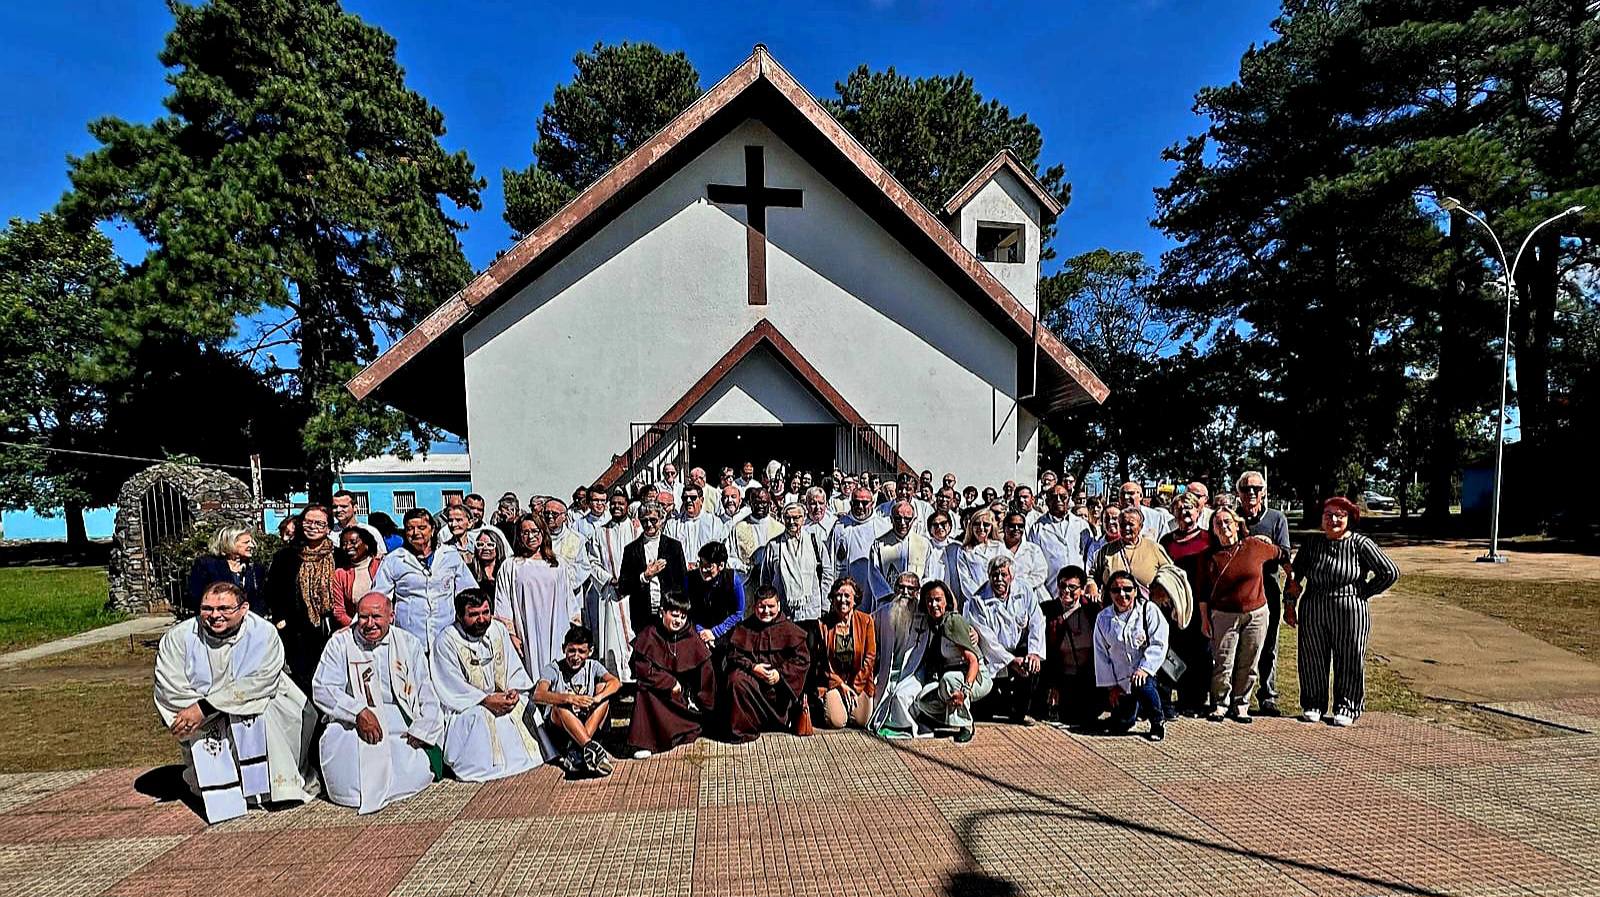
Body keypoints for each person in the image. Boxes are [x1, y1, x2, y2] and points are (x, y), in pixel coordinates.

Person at [154, 582, 318, 823]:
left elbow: (262, 681)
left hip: (260, 702)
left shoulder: (262, 632)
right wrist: (201, 711)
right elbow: (169, 685)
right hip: (202, 714)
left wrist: (207, 707)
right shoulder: (179, 638)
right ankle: (224, 788)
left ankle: (274, 788)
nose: (215, 615)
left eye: (224, 608)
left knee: (264, 712)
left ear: (244, 609)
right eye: (207, 608)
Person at [313, 592, 444, 814]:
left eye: (377, 617)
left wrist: (424, 727)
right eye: (363, 617)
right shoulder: (341, 643)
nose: (369, 624)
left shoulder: (408, 642)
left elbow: (425, 690)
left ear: (391, 616)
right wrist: (358, 712)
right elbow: (323, 688)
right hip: (352, 719)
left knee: (406, 760)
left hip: (399, 715)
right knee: (343, 745)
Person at [1287, 496, 1401, 727]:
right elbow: (1294, 577)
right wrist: (1289, 604)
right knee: (1312, 657)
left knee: (1349, 658)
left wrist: (1363, 592)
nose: (1334, 519)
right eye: (1328, 515)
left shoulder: (1361, 544)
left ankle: (1347, 706)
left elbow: (1390, 572)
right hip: (1314, 608)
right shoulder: (1311, 545)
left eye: (1340, 515)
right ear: (1321, 519)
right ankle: (1313, 704)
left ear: (1350, 518)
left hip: (1350, 611)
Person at [431, 588, 544, 782]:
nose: (482, 619)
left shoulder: (498, 630)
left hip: (501, 696)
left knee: (523, 705)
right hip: (466, 705)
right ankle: (486, 766)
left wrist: (513, 692)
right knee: (480, 717)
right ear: (459, 615)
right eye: (474, 614)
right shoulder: (446, 640)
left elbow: (513, 668)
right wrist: (485, 700)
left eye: (485, 612)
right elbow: (449, 684)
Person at [1197, 507, 1281, 723]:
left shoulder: (1254, 546)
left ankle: (1241, 703)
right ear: (1213, 530)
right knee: (1223, 661)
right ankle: (1220, 704)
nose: (1223, 527)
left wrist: (1290, 578)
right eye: (1218, 524)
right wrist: (1205, 619)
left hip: (1256, 613)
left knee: (1249, 661)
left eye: (1227, 522)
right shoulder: (1210, 556)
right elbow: (1203, 591)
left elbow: (1280, 553)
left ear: (1237, 524)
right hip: (1223, 614)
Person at [371, 508, 478, 655]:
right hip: (410, 638)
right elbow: (378, 598)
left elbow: (469, 593)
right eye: (410, 529)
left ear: (433, 529)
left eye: (422, 527)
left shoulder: (449, 555)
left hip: (447, 635)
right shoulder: (394, 560)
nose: (416, 533)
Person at [628, 593, 717, 759]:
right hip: (659, 692)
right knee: (643, 691)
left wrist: (701, 700)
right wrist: (670, 682)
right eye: (674, 615)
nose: (679, 621)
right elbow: (642, 669)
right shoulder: (649, 634)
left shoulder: (690, 634)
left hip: (683, 698)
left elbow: (705, 670)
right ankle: (645, 742)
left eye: (683, 617)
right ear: (662, 612)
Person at [266, 505, 343, 693]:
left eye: (319, 523)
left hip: (333, 626)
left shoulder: (339, 556)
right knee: (304, 681)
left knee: (334, 677)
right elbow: (273, 589)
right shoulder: (286, 556)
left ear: (328, 528)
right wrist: (280, 619)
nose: (313, 527)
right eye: (308, 522)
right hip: (297, 628)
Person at [1237, 471, 1294, 717]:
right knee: (1236, 647)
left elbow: (1284, 554)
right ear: (1238, 492)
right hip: (1237, 592)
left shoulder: (1276, 518)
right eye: (1247, 489)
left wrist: (1264, 547)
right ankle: (1235, 696)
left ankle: (1267, 696)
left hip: (1267, 590)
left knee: (1269, 646)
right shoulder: (1231, 517)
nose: (1252, 493)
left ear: (1264, 492)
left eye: (1257, 489)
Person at [496, 514, 578, 682]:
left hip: (557, 628)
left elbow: (568, 599)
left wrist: (576, 630)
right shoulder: (511, 566)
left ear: (543, 532)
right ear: (519, 536)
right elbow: (503, 602)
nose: (531, 536)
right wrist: (511, 634)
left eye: (535, 531)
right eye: (525, 532)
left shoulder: (557, 564)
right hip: (526, 630)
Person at [724, 586, 812, 742]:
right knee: (736, 679)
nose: (766, 611)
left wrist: (780, 674)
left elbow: (802, 660)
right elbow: (734, 655)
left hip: (779, 692)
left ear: (778, 605)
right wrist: (753, 668)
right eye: (761, 606)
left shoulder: (791, 630)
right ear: (754, 606)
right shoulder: (745, 628)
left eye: (770, 606)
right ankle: (744, 729)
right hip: (753, 688)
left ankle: (780, 721)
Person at [965, 557, 1045, 725]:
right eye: (995, 575)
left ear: (1011, 577)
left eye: (1003, 574)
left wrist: (1034, 653)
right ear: (989, 576)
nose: (999, 579)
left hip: (1019, 648)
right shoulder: (978, 600)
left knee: (1032, 666)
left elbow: (1037, 621)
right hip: (993, 656)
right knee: (984, 713)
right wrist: (1010, 661)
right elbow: (987, 640)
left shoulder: (1025, 590)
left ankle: (1021, 712)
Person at [910, 579, 991, 743]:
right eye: (929, 600)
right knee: (923, 699)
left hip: (974, 677)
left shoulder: (953, 621)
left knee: (949, 681)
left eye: (938, 599)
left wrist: (965, 690)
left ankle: (966, 725)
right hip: (952, 675)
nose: (933, 604)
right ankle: (942, 719)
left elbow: (973, 661)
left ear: (946, 600)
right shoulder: (933, 625)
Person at [533, 625, 620, 776]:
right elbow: (538, 695)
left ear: (590, 652)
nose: (576, 656)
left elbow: (615, 682)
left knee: (603, 692)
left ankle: (578, 750)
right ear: (563, 649)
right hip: (561, 726)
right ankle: (588, 746)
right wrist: (570, 698)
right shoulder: (553, 668)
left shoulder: (593, 666)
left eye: (581, 651)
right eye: (571, 650)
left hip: (586, 722)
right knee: (561, 706)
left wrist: (597, 698)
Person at [1093, 570, 1168, 741]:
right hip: (1120, 680)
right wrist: (1111, 686)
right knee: (1121, 725)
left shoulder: (1148, 610)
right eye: (1116, 590)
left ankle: (1157, 721)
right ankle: (1130, 714)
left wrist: (1144, 668)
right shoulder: (1103, 619)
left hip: (1147, 674)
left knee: (1143, 686)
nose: (1122, 594)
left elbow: (1159, 642)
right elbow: (1101, 655)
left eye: (1127, 589)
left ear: (1135, 590)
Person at [585, 487, 640, 680]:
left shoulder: (637, 528)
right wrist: (609, 578)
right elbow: (592, 562)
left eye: (621, 504)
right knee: (612, 640)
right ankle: (616, 680)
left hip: (633, 594)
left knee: (633, 635)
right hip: (610, 593)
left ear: (627, 506)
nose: (617, 507)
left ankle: (633, 677)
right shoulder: (600, 533)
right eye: (614, 504)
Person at [809, 577, 877, 730]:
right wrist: (841, 685)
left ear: (855, 599)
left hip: (858, 680)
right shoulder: (823, 625)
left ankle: (848, 704)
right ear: (832, 599)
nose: (842, 600)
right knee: (836, 722)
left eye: (847, 596)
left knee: (861, 721)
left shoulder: (866, 621)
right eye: (838, 595)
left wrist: (855, 686)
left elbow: (870, 657)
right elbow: (822, 663)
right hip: (834, 681)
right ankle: (828, 702)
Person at [1040, 566, 1102, 726]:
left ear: (1082, 589)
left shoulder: (1093, 611)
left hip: (1089, 676)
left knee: (1088, 716)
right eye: (1062, 586)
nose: (1066, 591)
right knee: (1065, 714)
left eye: (1072, 587)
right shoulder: (1048, 611)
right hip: (1062, 675)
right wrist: (1053, 685)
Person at [619, 500, 688, 641]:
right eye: (644, 521)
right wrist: (645, 576)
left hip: (669, 611)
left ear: (661, 520)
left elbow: (682, 582)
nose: (649, 524)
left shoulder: (673, 546)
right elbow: (623, 586)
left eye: (653, 520)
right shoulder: (631, 549)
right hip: (642, 614)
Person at [756, 502, 827, 623]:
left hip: (811, 611)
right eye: (788, 518)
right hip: (784, 612)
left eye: (796, 518)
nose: (792, 521)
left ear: (804, 518)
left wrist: (824, 604)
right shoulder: (774, 545)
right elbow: (766, 579)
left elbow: (827, 574)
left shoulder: (814, 542)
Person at [1087, 506, 1173, 595]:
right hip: (1113, 605)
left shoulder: (1154, 548)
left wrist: (1160, 588)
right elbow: (1092, 575)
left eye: (1131, 524)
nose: (1126, 528)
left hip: (1146, 605)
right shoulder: (1106, 550)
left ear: (1140, 526)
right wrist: (1091, 586)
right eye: (1123, 525)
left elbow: (1170, 573)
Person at [1147, 565, 1197, 721]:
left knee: (1170, 671)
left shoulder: (1172, 608)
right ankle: (1162, 705)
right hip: (1155, 642)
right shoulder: (1151, 606)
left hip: (1173, 642)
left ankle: (1174, 704)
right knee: (1160, 673)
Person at [186, 525, 267, 617]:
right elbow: (196, 596)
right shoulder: (207, 565)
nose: (252, 545)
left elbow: (260, 598)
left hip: (248, 622)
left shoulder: (255, 568)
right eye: (246, 542)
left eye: (251, 542)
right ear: (230, 543)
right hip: (216, 620)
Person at [869, 500, 930, 610]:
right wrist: (891, 596)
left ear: (914, 520)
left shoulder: (924, 544)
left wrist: (917, 594)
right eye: (898, 518)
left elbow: (928, 575)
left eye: (907, 519)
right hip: (889, 605)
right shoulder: (879, 544)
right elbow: (874, 574)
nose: (902, 523)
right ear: (891, 519)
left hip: (916, 604)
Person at [687, 541, 745, 651]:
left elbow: (738, 612)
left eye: (708, 566)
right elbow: (689, 609)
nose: (703, 570)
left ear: (721, 566)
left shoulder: (732, 579)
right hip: (699, 629)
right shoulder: (691, 579)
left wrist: (715, 632)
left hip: (726, 629)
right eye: (701, 565)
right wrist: (702, 632)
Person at [1028, 484, 1089, 589]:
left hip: (1078, 590)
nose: (1058, 500)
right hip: (1050, 590)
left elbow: (1089, 557)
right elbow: (1033, 564)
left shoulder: (1081, 525)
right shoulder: (1037, 528)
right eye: (1053, 497)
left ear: (1069, 500)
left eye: (1063, 497)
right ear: (1047, 501)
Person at [828, 488, 889, 592]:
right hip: (848, 587)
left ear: (872, 503)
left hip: (875, 587)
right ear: (851, 503)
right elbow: (832, 559)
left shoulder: (883, 527)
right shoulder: (840, 526)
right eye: (856, 502)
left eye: (864, 503)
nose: (860, 506)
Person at [955, 508, 1010, 608]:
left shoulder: (999, 547)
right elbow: (965, 581)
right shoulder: (964, 551)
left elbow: (1009, 573)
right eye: (976, 524)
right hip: (976, 602)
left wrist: (999, 595)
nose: (981, 528)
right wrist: (982, 598)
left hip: (1000, 601)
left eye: (986, 524)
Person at [541, 499, 593, 603]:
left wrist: (562, 581)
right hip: (543, 593)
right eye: (546, 513)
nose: (550, 517)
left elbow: (584, 567)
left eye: (554, 514)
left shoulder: (576, 538)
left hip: (569, 596)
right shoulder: (539, 538)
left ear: (564, 517)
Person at [332, 526, 383, 628]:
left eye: (353, 542)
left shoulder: (382, 566)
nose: (348, 547)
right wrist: (357, 628)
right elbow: (339, 611)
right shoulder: (340, 574)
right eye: (344, 544)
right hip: (355, 628)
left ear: (367, 545)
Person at [667, 483, 725, 572]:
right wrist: (685, 564)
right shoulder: (672, 524)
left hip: (706, 573)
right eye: (685, 498)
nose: (689, 501)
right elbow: (668, 550)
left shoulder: (714, 522)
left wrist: (700, 564)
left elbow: (718, 550)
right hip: (680, 572)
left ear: (701, 500)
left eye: (693, 497)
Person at [999, 510, 1049, 604]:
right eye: (1012, 526)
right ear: (1004, 527)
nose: (1016, 529)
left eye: (1020, 526)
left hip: (1033, 596)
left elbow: (1041, 574)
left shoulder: (1033, 550)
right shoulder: (996, 549)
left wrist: (1019, 586)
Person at [730, 487, 782, 572]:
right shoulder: (739, 528)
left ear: (770, 503)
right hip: (747, 579)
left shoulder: (780, 529)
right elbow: (731, 556)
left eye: (764, 503)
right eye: (756, 502)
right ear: (750, 503)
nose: (760, 506)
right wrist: (745, 568)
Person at [330, 490, 387, 557]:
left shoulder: (370, 531)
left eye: (344, 506)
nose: (338, 510)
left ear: (355, 508)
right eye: (335, 507)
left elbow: (381, 556)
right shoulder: (329, 532)